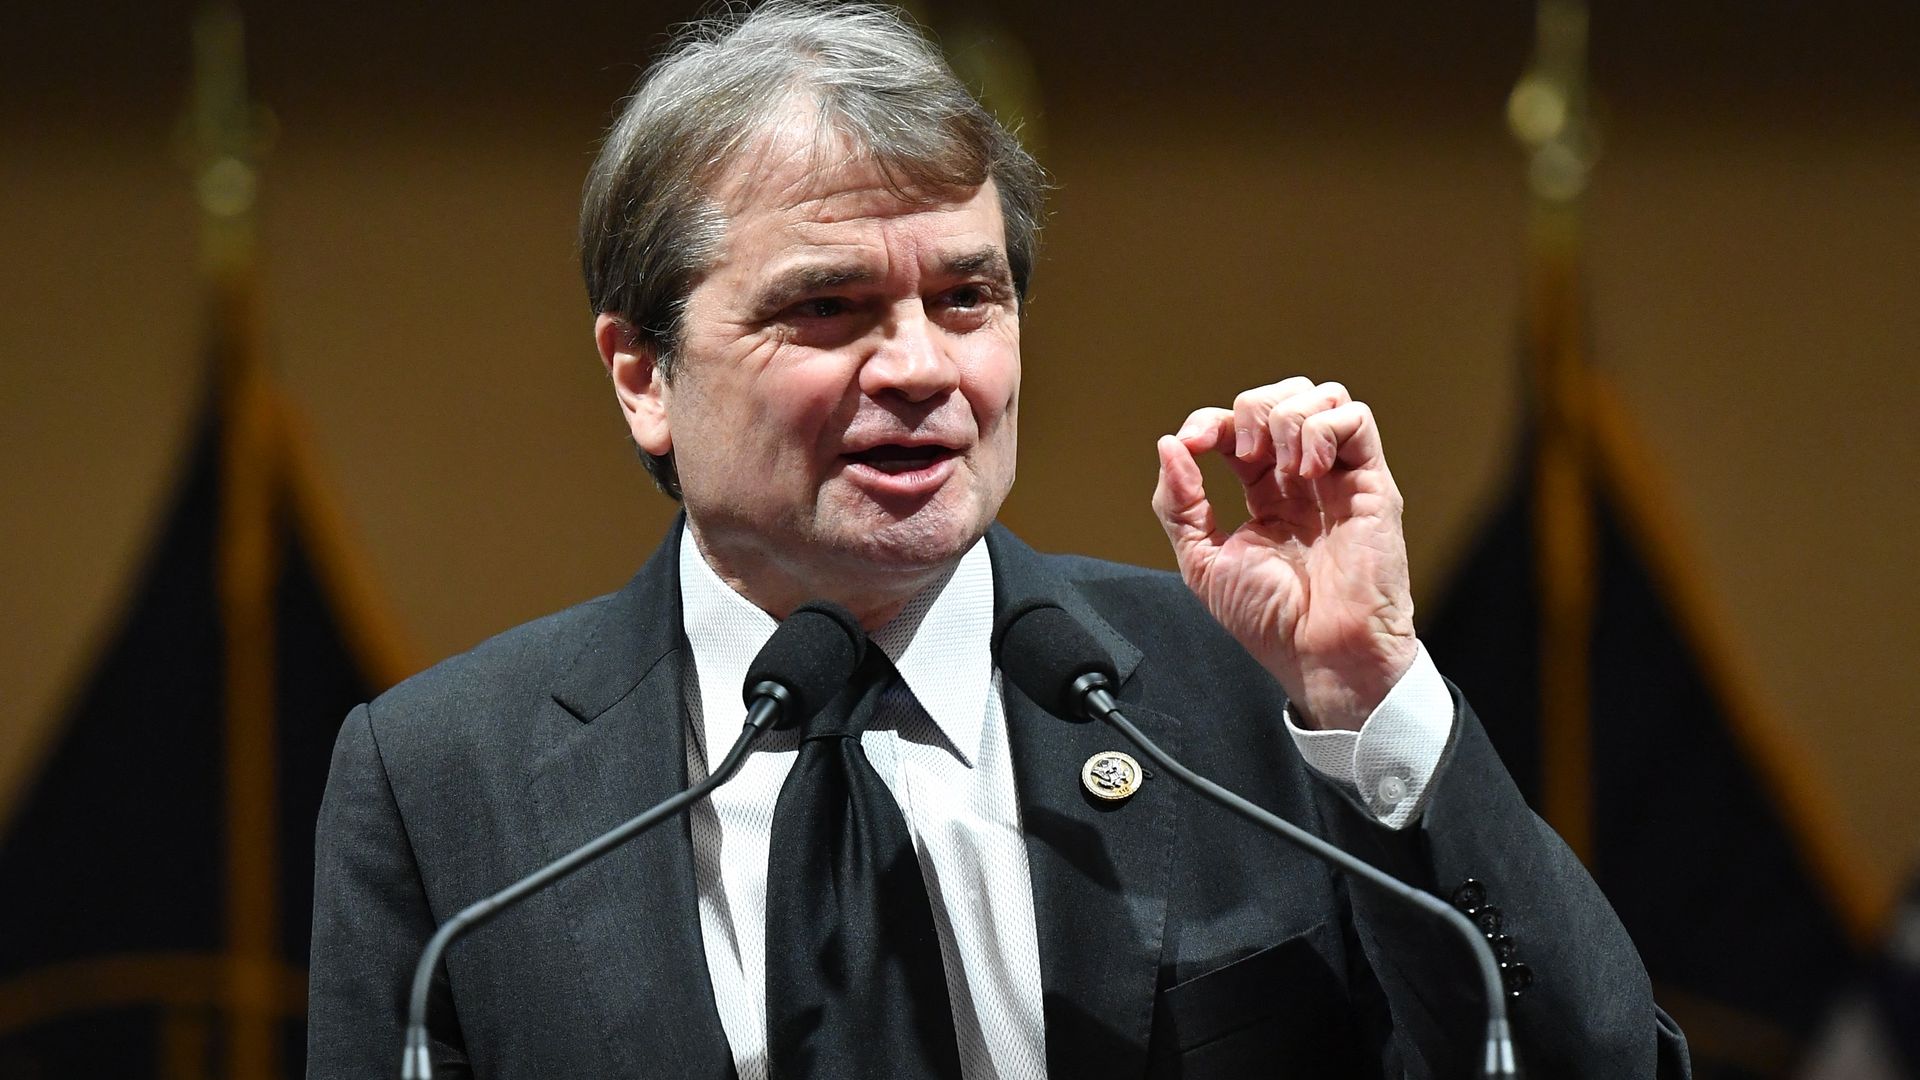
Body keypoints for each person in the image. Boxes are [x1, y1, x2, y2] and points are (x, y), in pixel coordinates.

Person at [307, 4, 1690, 1078]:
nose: (923, 368)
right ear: (643, 377)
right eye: (828, 307)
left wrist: (1370, 690)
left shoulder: (1248, 696)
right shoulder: (444, 785)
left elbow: (1599, 1066)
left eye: (967, 298)